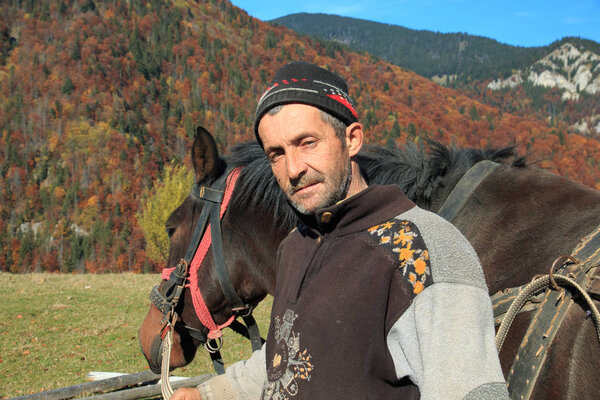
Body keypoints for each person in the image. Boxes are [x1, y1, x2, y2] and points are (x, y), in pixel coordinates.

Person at [172, 61, 509, 400]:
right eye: (276, 154)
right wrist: (211, 393)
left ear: (351, 139)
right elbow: (286, 353)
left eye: (307, 143)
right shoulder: (295, 245)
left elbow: (474, 392)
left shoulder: (425, 249)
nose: (293, 169)